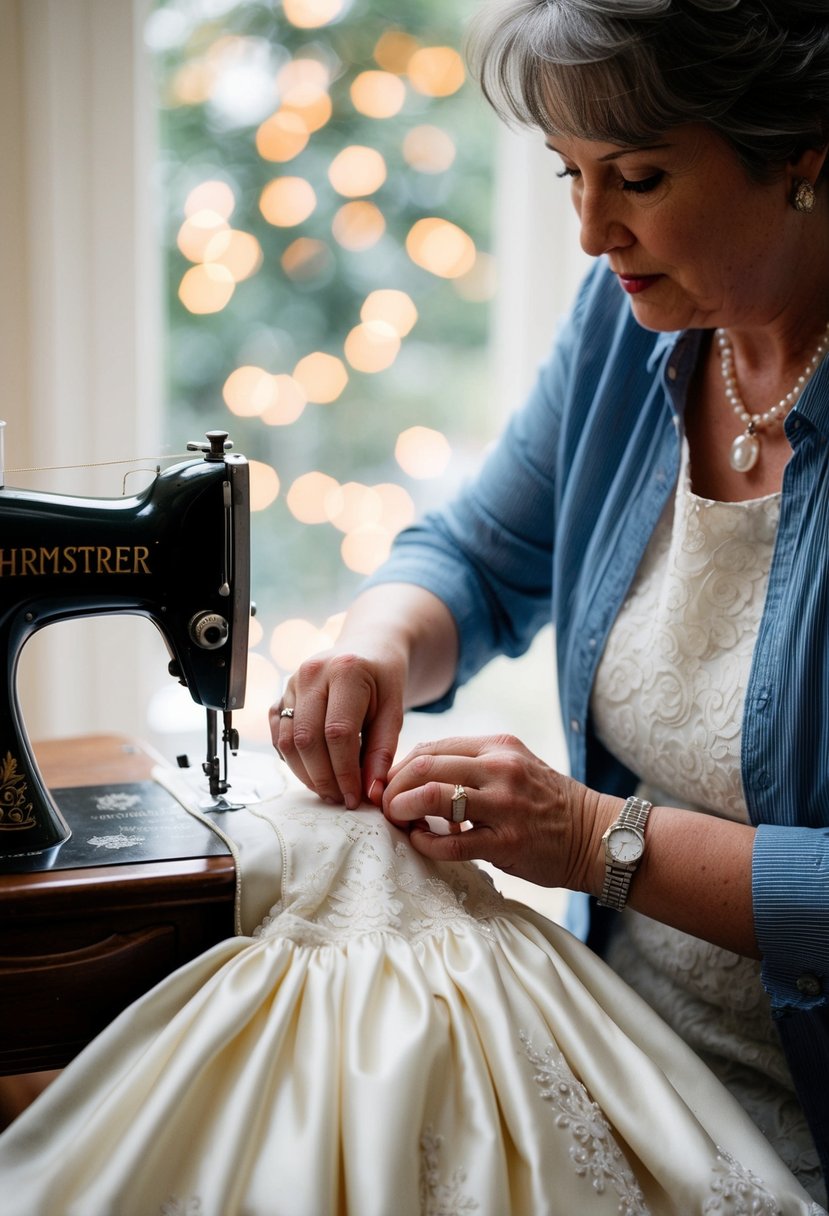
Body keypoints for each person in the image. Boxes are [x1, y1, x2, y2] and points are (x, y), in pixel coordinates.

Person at [270, 0, 829, 1204]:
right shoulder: (642, 325)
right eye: (568, 173)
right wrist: (375, 642)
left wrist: (593, 840)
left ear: (804, 149)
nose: (589, 232)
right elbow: (477, 554)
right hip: (623, 1047)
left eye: (635, 175)